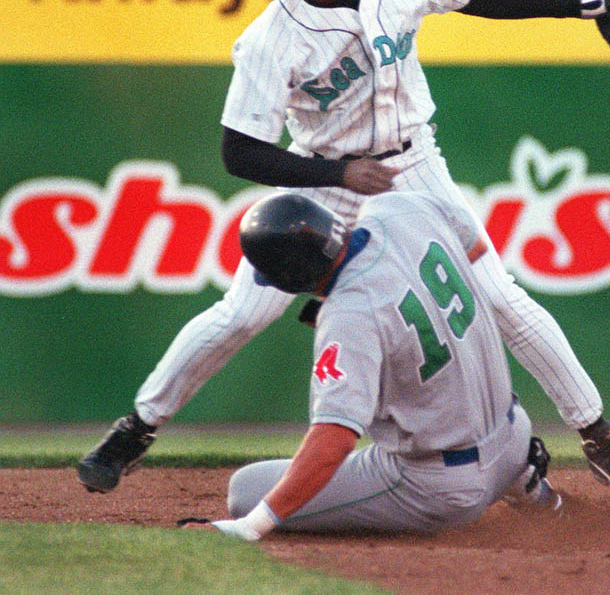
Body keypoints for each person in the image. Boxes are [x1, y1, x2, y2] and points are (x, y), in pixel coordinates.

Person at [78, 0, 610, 500]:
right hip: (328, 179)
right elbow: (239, 151)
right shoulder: (269, 39)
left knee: (500, 298)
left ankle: (603, 440)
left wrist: (581, 6)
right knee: (243, 314)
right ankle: (135, 430)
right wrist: (338, 175)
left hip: (417, 167)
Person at [187, 189, 563, 540]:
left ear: (290, 278)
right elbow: (475, 246)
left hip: (441, 488)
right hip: (514, 435)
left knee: (246, 489)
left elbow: (334, 439)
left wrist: (250, 528)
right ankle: (522, 481)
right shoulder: (400, 208)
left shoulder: (349, 314)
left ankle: (501, 480)